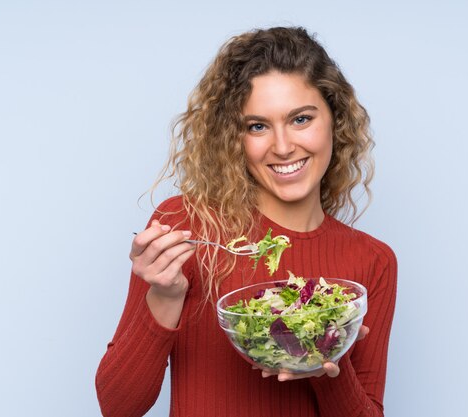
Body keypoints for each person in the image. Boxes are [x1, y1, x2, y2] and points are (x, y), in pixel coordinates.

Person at [96, 26, 397, 417]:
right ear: (233, 138)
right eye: (257, 126)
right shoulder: (186, 226)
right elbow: (119, 407)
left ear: (335, 120)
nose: (284, 146)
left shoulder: (372, 261)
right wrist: (164, 297)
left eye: (301, 119)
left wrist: (323, 361)